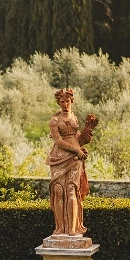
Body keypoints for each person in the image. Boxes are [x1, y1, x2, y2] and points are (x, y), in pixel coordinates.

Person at [46, 88, 98, 236]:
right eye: (62, 102)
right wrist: (77, 150)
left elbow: (78, 138)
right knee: (58, 191)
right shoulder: (54, 120)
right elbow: (59, 141)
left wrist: (87, 134)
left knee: (71, 190)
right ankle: (60, 227)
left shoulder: (74, 118)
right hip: (59, 157)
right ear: (58, 102)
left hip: (75, 159)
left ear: (71, 101)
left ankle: (72, 228)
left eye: (67, 101)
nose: (65, 104)